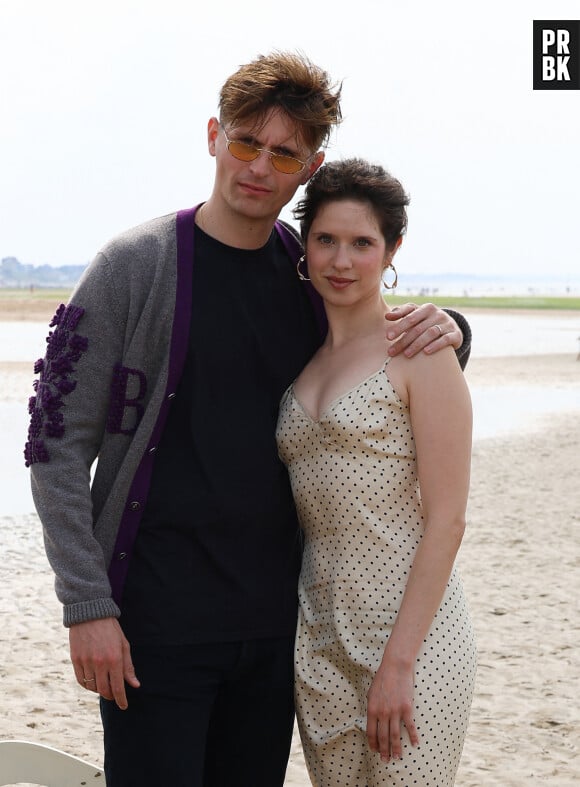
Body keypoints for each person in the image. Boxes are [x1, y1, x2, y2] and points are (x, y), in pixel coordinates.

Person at [24, 52, 471, 786]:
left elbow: (370, 357)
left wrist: (451, 326)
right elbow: (53, 442)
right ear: (213, 136)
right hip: (152, 628)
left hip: (273, 636)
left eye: (284, 153)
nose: (260, 166)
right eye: (245, 142)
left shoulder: (304, 274)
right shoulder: (134, 266)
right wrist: (86, 603)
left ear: (309, 165)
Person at [276, 158, 477, 786]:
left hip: (414, 639)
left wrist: (397, 664)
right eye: (326, 239)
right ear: (305, 246)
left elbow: (448, 519)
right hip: (318, 640)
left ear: (391, 250)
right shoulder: (298, 360)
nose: (342, 260)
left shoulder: (420, 350)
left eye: (362, 243)